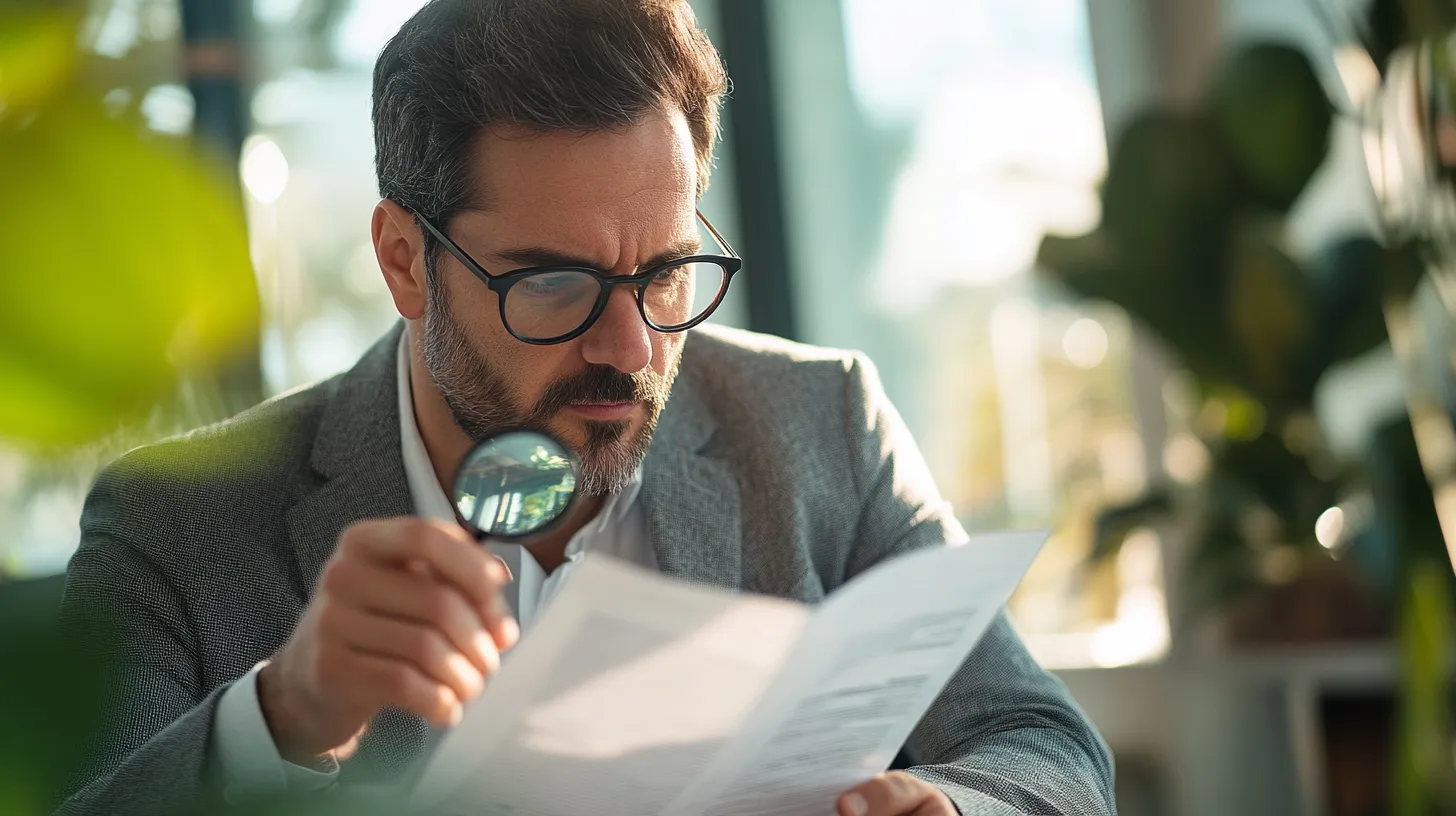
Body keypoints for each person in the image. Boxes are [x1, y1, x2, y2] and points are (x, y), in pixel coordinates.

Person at [56, 1, 1114, 814]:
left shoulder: (821, 426)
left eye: (665, 272)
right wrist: (281, 716)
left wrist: (946, 805)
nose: (632, 348)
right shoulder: (177, 524)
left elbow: (1043, 745)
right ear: (403, 262)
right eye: (552, 283)